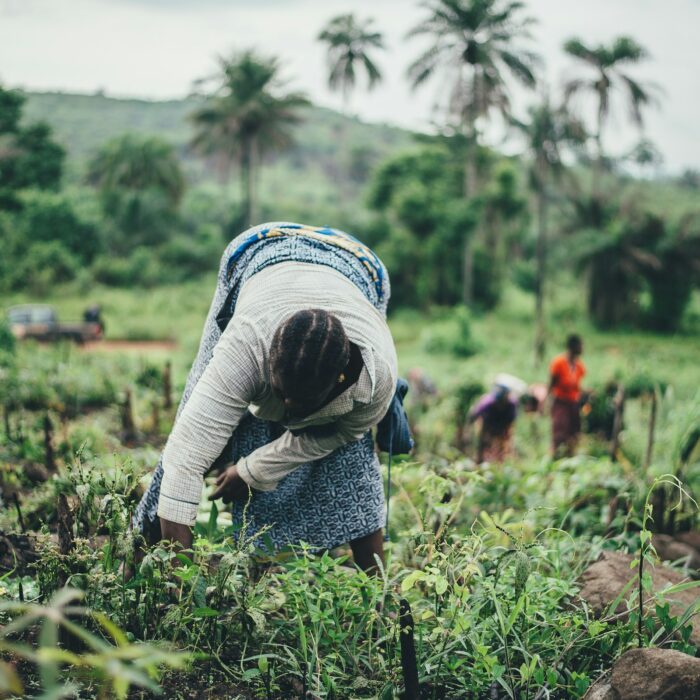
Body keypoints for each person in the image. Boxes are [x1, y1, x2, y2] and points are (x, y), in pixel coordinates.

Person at [132, 222, 398, 572]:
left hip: (361, 268)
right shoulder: (246, 344)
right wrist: (180, 580)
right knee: (192, 423)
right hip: (259, 252)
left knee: (351, 458)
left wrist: (253, 470)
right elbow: (186, 457)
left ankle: (379, 600)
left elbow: (340, 434)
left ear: (340, 382)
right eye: (280, 394)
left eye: (300, 405)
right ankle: (140, 553)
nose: (286, 412)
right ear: (267, 363)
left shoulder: (375, 380)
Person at [549, 334, 586, 456]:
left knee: (574, 433)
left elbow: (577, 386)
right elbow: (551, 384)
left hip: (573, 403)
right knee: (560, 432)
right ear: (573, 346)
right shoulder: (558, 363)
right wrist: (547, 402)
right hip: (560, 402)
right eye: (581, 345)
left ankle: (571, 456)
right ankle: (556, 456)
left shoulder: (579, 366)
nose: (582, 348)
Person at [468, 383, 518, 463]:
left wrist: (506, 434)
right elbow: (475, 413)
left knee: (503, 446)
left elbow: (511, 420)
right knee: (483, 443)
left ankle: (501, 462)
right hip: (488, 424)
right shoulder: (487, 402)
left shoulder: (511, 403)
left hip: (502, 425)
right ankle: (480, 461)